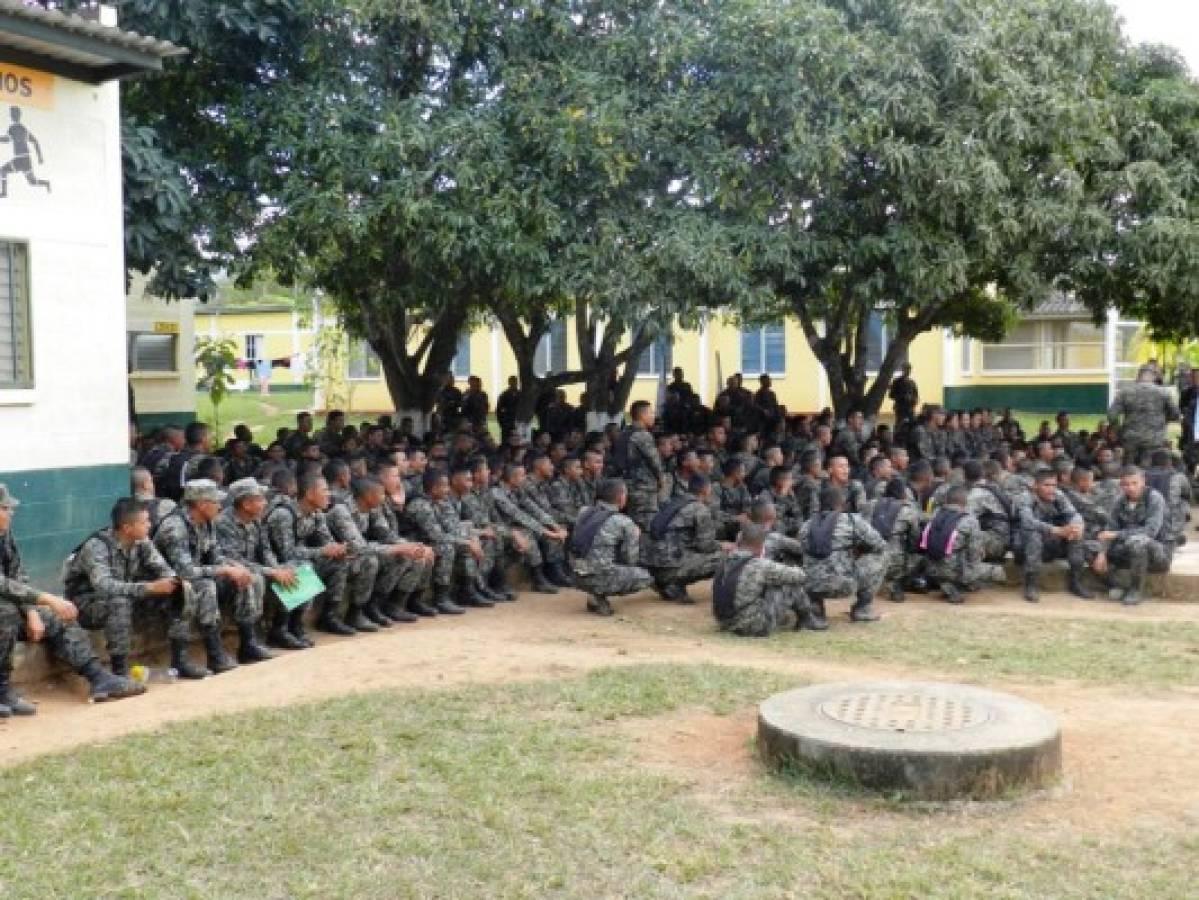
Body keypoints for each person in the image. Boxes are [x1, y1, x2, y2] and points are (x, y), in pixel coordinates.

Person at [0, 485, 143, 712]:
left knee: (59, 615)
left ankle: (98, 678)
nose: (11, 513)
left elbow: (18, 575)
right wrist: (46, 599)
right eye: (6, 508)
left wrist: (32, 612)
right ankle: (2, 690)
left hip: (12, 604)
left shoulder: (4, 534)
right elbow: (3, 584)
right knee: (5, 610)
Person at [65, 497, 181, 677]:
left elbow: (164, 570)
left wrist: (175, 583)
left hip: (127, 595)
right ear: (127, 528)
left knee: (181, 591)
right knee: (119, 602)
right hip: (85, 604)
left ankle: (180, 657)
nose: (150, 525)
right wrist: (149, 588)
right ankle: (120, 671)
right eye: (144, 522)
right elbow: (104, 586)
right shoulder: (97, 546)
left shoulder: (142, 541)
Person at [153, 480, 254, 677]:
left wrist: (234, 567)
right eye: (216, 501)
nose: (220, 506)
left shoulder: (207, 523)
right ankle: (186, 658)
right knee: (204, 586)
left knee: (243, 577)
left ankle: (248, 642)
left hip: (192, 579)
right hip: (165, 587)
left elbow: (216, 557)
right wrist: (224, 570)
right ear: (200, 504)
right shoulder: (175, 527)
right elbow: (185, 572)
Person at [214, 478, 298, 660]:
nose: (265, 503)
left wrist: (278, 569)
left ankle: (283, 628)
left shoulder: (257, 520)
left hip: (254, 568)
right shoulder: (223, 523)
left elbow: (266, 550)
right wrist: (272, 572)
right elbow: (235, 560)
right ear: (246, 504)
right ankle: (248, 643)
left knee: (294, 569)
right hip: (230, 573)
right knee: (254, 579)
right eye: (260, 499)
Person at [265, 471, 352, 641]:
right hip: (274, 565)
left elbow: (327, 541)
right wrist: (322, 551)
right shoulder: (284, 514)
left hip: (301, 560)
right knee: (303, 567)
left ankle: (328, 617)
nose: (329, 494)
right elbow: (286, 553)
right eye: (325, 490)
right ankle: (281, 627)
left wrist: (339, 551)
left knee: (338, 564)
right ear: (310, 493)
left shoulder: (316, 514)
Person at [798, 485, 888, 626]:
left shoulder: (805, 526)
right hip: (843, 585)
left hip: (811, 586)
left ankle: (816, 609)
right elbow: (880, 545)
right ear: (842, 503)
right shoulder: (851, 520)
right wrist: (858, 551)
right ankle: (862, 608)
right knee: (882, 556)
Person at [405, 469, 492, 611]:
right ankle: (440, 598)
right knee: (448, 548)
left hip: (431, 541)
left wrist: (471, 539)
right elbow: (436, 535)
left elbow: (454, 527)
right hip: (415, 543)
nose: (447, 489)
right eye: (444, 486)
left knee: (468, 543)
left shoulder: (441, 502)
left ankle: (468, 590)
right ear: (433, 488)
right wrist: (467, 543)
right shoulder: (420, 505)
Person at [569, 479, 653, 616]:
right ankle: (599, 597)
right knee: (645, 576)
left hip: (574, 575)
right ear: (621, 497)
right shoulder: (623, 522)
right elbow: (630, 559)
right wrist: (635, 536)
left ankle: (594, 594)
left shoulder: (583, 512)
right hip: (597, 577)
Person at [713, 523, 811, 637]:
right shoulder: (759, 565)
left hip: (723, 622)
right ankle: (807, 620)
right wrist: (792, 565)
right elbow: (800, 575)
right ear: (761, 545)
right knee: (792, 585)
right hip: (751, 627)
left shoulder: (724, 561)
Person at [641, 475, 727, 603]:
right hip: (671, 566)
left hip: (652, 565)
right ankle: (674, 584)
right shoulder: (700, 509)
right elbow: (705, 545)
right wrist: (722, 546)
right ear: (706, 490)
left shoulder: (674, 503)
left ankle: (664, 583)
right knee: (724, 558)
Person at [1094, 466, 1172, 606]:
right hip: (1129, 552)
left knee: (1137, 542)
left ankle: (1136, 590)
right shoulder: (1120, 501)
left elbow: (1150, 531)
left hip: (1157, 554)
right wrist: (1102, 552)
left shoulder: (1154, 498)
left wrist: (1116, 535)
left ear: (1143, 481)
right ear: (1121, 485)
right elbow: (1109, 529)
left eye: (1134, 483)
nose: (1130, 488)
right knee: (1089, 547)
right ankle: (1116, 585)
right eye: (1126, 484)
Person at [921, 484, 1006, 604]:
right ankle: (959, 583)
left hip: (930, 569)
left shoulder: (935, 515)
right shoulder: (969, 520)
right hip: (953, 570)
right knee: (997, 572)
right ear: (965, 501)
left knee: (956, 552)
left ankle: (948, 583)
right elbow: (974, 554)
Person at [1018, 469, 1089, 602]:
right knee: (1034, 535)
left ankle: (1075, 582)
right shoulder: (1025, 497)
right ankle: (1030, 584)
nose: (1051, 489)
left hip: (1051, 543)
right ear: (1035, 485)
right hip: (1025, 546)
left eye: (1054, 485)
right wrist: (1056, 530)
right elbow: (1027, 522)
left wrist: (1077, 526)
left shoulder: (1058, 495)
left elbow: (1074, 514)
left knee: (1075, 533)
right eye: (1046, 485)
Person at [1107, 364, 1180, 466]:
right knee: (1151, 469)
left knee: (1130, 470)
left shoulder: (1125, 392)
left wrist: (1119, 431)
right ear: (1154, 376)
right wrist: (1163, 421)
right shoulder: (1164, 392)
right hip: (1155, 439)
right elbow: (1175, 414)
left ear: (1138, 375)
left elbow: (1111, 415)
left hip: (1130, 438)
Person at [612, 400, 666, 529]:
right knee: (646, 525)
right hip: (643, 489)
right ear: (643, 415)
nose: (653, 416)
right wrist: (661, 479)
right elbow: (654, 461)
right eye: (651, 413)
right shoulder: (642, 435)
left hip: (626, 486)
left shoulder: (624, 434)